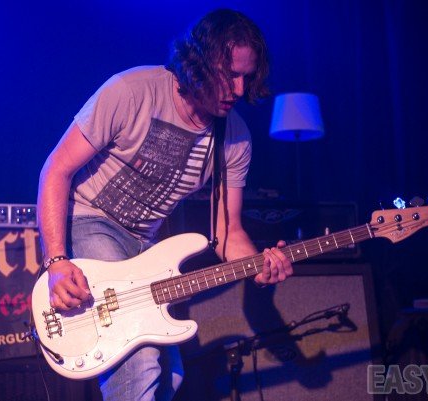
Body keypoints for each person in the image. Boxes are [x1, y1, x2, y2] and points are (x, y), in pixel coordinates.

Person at [37, 8, 293, 401]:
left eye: (247, 76)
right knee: (140, 365)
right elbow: (56, 168)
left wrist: (259, 267)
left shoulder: (235, 137)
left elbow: (228, 232)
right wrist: (56, 260)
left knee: (170, 377)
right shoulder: (131, 91)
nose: (240, 89)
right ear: (198, 63)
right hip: (89, 220)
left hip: (145, 245)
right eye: (229, 75)